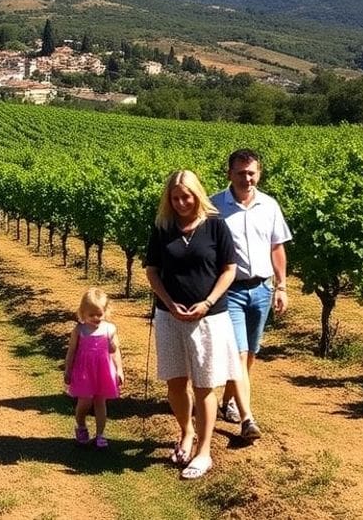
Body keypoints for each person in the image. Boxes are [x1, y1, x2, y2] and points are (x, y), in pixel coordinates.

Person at [143, 169, 242, 480]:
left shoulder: (216, 226)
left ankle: (204, 450)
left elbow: (229, 270)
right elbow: (152, 270)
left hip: (209, 318)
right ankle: (185, 432)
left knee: (204, 386)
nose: (181, 203)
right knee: (175, 384)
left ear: (197, 195)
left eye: (186, 196)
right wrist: (169, 303)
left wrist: (208, 302)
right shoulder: (162, 227)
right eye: (175, 198)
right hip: (169, 317)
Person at [212, 148, 291, 441]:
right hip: (229, 292)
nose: (247, 178)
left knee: (250, 357)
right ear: (229, 174)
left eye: (252, 173)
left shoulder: (270, 205)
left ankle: (228, 400)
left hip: (261, 289)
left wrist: (281, 286)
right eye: (241, 173)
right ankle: (247, 419)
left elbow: (277, 248)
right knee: (238, 352)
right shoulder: (214, 206)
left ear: (259, 174)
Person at [64, 286, 124, 449]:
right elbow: (71, 351)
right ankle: (81, 425)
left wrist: (119, 370)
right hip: (85, 371)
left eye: (99, 314)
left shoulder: (109, 329)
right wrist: (68, 369)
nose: (96, 318)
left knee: (100, 402)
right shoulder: (79, 330)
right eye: (92, 315)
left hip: (103, 371)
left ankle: (100, 434)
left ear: (105, 312)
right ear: (83, 313)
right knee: (85, 401)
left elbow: (114, 351)